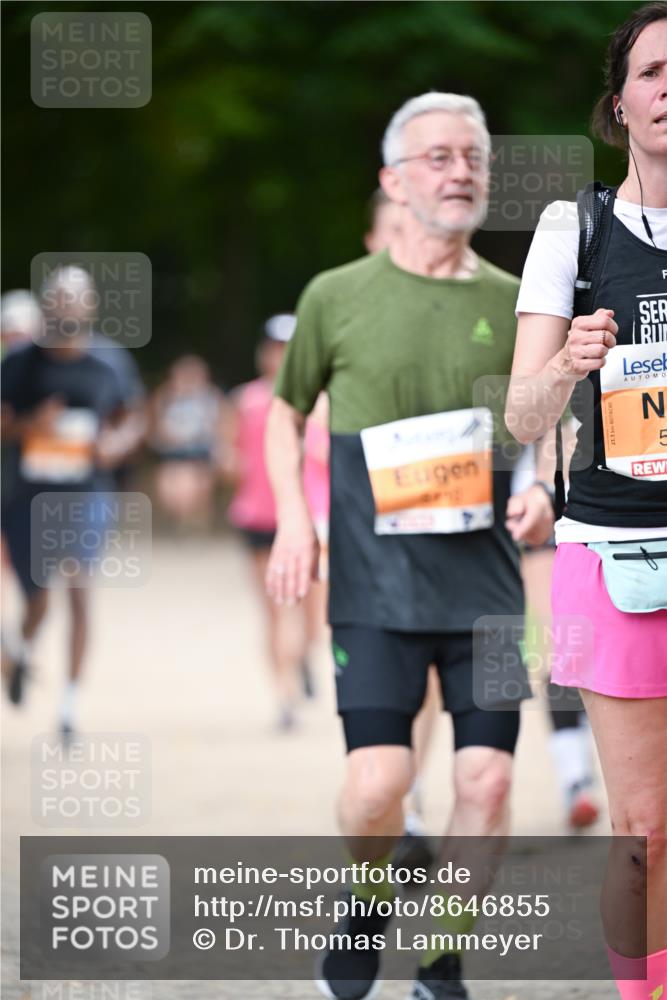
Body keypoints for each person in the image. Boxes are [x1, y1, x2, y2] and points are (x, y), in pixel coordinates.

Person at [266, 93, 554, 1000]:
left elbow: (547, 420)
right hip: (375, 588)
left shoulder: (518, 303)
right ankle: (365, 895)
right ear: (393, 181)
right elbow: (284, 410)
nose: (459, 170)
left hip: (486, 590)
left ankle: (441, 961)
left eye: (471, 156)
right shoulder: (335, 297)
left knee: (489, 782)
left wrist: (543, 482)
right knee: (375, 785)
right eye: (436, 157)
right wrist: (291, 515)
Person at [506, 5, 667, 998]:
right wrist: (566, 361)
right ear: (620, 102)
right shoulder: (577, 225)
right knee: (643, 822)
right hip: (618, 554)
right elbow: (522, 416)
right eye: (655, 72)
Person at [1, 267, 144, 736]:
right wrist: (28, 427)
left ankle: (69, 706)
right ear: (46, 306)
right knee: (37, 598)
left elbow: (133, 418)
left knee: (81, 590)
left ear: (90, 307)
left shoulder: (109, 362)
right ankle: (18, 651)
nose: (66, 308)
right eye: (58, 300)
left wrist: (115, 444)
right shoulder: (19, 363)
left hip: (87, 495)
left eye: (75, 300)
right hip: (27, 499)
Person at [226, 314, 329, 730]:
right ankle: (283, 696)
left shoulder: (323, 401)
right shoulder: (245, 401)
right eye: (275, 348)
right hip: (259, 517)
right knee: (272, 612)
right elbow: (227, 453)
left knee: (314, 615)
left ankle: (303, 657)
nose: (281, 356)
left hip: (310, 517)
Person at [148, 355, 227, 530]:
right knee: (169, 491)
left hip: (200, 452)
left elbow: (221, 424)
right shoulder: (165, 396)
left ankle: (197, 524)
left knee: (198, 489)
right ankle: (178, 520)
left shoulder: (210, 397)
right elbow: (155, 424)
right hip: (173, 452)